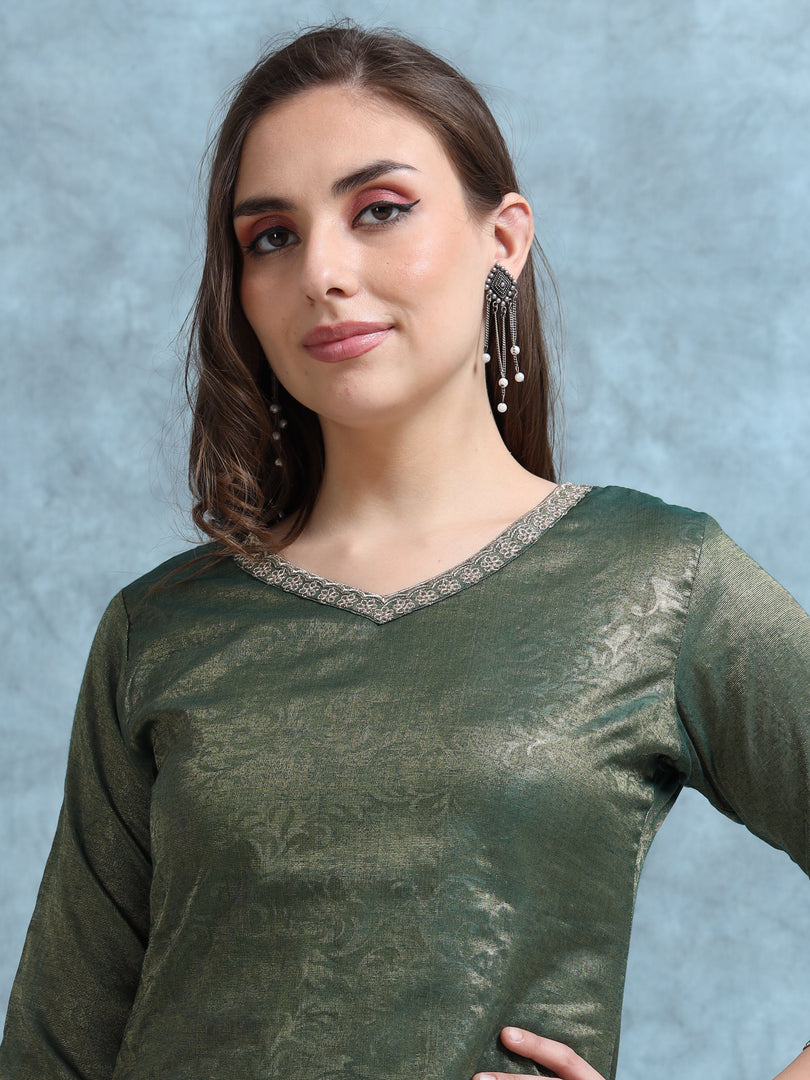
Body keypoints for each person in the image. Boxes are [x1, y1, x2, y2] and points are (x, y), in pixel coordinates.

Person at [0, 21, 808, 1080]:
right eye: (270, 237)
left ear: (502, 240)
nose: (323, 271)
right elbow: (55, 1049)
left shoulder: (655, 582)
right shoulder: (161, 629)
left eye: (379, 211)